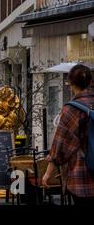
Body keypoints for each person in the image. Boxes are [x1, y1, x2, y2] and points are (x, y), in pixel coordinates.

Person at [43, 65, 94, 205]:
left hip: (82, 176)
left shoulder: (71, 109)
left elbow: (60, 145)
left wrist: (48, 173)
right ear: (90, 82)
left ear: (71, 84)